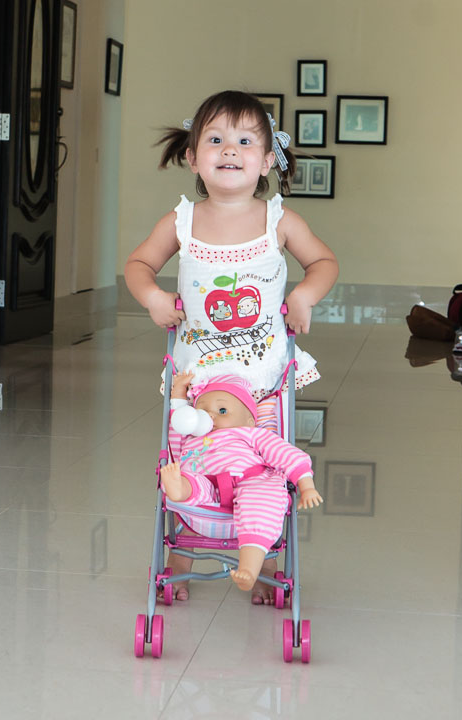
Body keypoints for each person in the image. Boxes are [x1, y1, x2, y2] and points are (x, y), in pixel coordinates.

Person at [125, 89, 338, 601]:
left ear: (266, 160)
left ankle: (262, 555)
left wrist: (305, 295)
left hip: (262, 377)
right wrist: (152, 297)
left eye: (244, 142)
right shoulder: (181, 221)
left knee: (262, 464)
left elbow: (323, 262)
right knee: (188, 458)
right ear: (193, 157)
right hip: (197, 378)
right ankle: (183, 546)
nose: (229, 150)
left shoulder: (279, 220)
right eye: (216, 139)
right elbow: (139, 264)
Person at [162, 372, 323, 593]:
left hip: (249, 481)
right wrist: (179, 392)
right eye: (202, 411)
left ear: (250, 421)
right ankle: (179, 489)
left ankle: (250, 569)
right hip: (205, 489)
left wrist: (306, 484)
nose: (210, 416)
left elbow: (286, 454)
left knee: (263, 496)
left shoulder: (252, 434)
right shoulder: (191, 437)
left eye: (222, 411)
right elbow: (177, 425)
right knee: (188, 480)